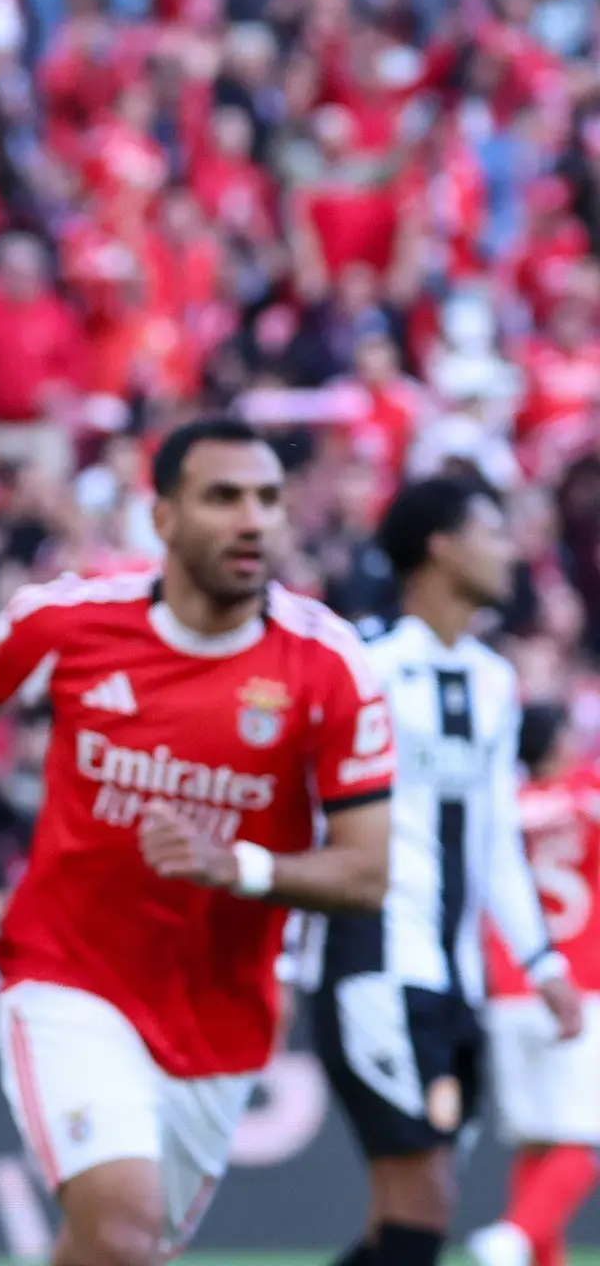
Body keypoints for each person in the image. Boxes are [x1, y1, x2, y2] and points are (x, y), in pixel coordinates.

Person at [0, 418, 395, 1266]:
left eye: (267, 500)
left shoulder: (333, 669)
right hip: (68, 975)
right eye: (223, 498)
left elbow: (366, 874)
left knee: (121, 1250)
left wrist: (237, 866)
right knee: (126, 1232)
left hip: (221, 1015)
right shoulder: (68, 622)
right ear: (165, 518)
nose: (252, 520)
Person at [311, 474, 582, 1266]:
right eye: (492, 531)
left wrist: (540, 960)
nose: (510, 551)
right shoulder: (365, 665)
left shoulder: (495, 684)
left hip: (460, 985)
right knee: (423, 1206)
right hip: (376, 967)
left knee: (409, 1217)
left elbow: (496, 834)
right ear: (441, 547)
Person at [468, 703, 600, 1266]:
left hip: (510, 984)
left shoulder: (503, 807)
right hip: (579, 986)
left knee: (536, 1144)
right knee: (579, 1144)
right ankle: (514, 1236)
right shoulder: (589, 795)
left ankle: (530, 1251)